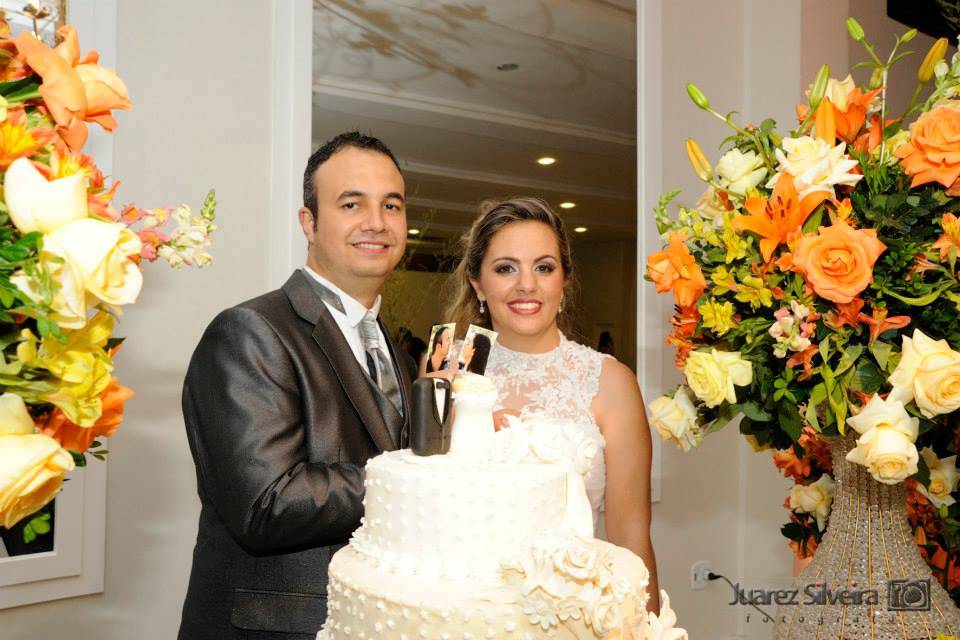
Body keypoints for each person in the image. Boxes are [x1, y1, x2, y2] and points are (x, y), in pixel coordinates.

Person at [178, 131, 415, 640]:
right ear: (309, 222)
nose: (377, 222)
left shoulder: (396, 351)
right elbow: (267, 503)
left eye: (391, 205)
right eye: (351, 204)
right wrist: (419, 477)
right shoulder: (250, 331)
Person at [443, 196, 660, 612]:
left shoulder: (610, 382)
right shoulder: (448, 368)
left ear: (565, 281)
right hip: (462, 610)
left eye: (543, 267)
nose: (527, 285)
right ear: (478, 284)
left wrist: (650, 630)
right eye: (505, 268)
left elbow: (631, 541)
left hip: (572, 614)